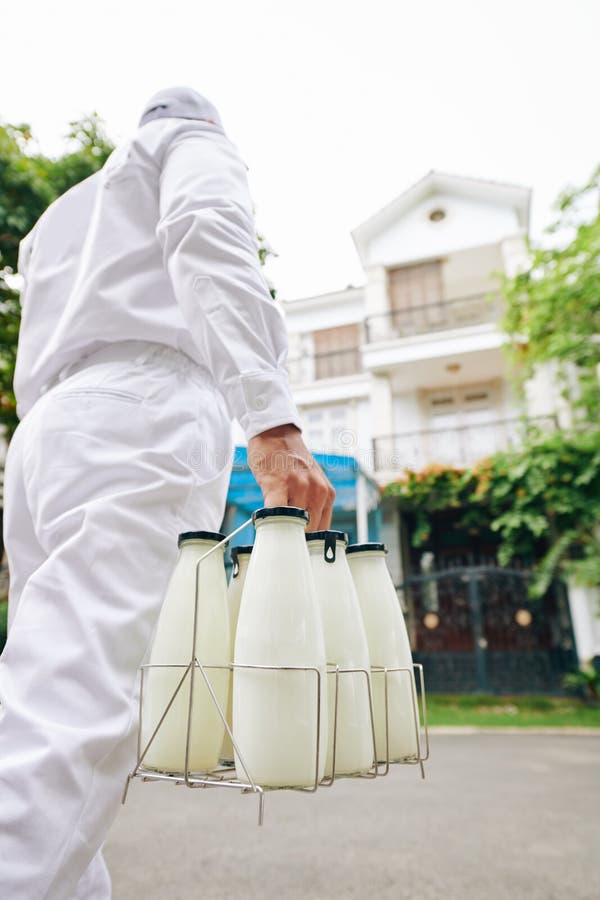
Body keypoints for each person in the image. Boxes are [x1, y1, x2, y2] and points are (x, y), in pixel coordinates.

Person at [0, 86, 334, 900]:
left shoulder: (61, 218)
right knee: (80, 705)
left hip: (48, 431)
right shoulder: (189, 145)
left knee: (45, 687)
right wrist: (272, 421)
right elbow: (206, 232)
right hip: (142, 411)